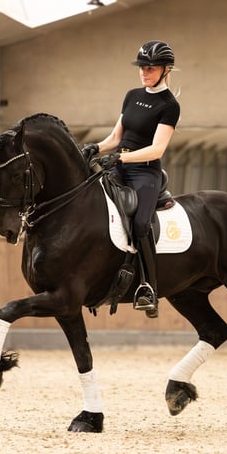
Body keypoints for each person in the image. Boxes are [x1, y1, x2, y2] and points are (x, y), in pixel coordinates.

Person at [81, 40, 180, 318]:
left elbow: (157, 148)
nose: (144, 72)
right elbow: (116, 138)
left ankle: (149, 287)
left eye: (150, 68)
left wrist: (121, 158)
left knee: (140, 222)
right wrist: (94, 148)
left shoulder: (169, 105)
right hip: (119, 165)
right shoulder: (132, 94)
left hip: (144, 171)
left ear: (165, 70)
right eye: (142, 67)